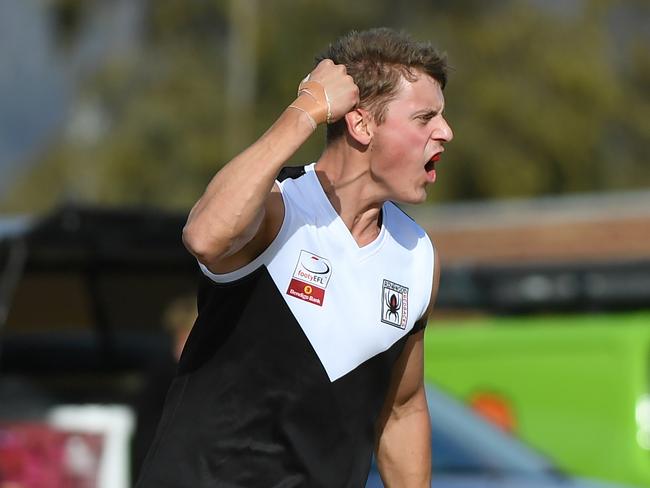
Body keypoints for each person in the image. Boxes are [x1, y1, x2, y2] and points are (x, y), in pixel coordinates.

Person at [136, 27, 452, 487]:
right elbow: (205, 235)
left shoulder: (417, 256)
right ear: (361, 124)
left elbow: (402, 411)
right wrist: (305, 108)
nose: (445, 131)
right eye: (425, 117)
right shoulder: (279, 207)